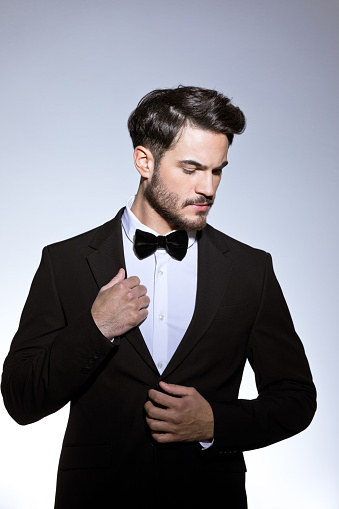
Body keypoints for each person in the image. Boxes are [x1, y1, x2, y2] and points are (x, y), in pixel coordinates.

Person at [1, 86, 316, 508]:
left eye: (218, 170)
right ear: (144, 161)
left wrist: (214, 423)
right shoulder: (66, 262)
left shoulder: (249, 270)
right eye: (191, 169)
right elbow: (21, 398)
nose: (209, 188)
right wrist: (96, 329)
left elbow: (296, 398)